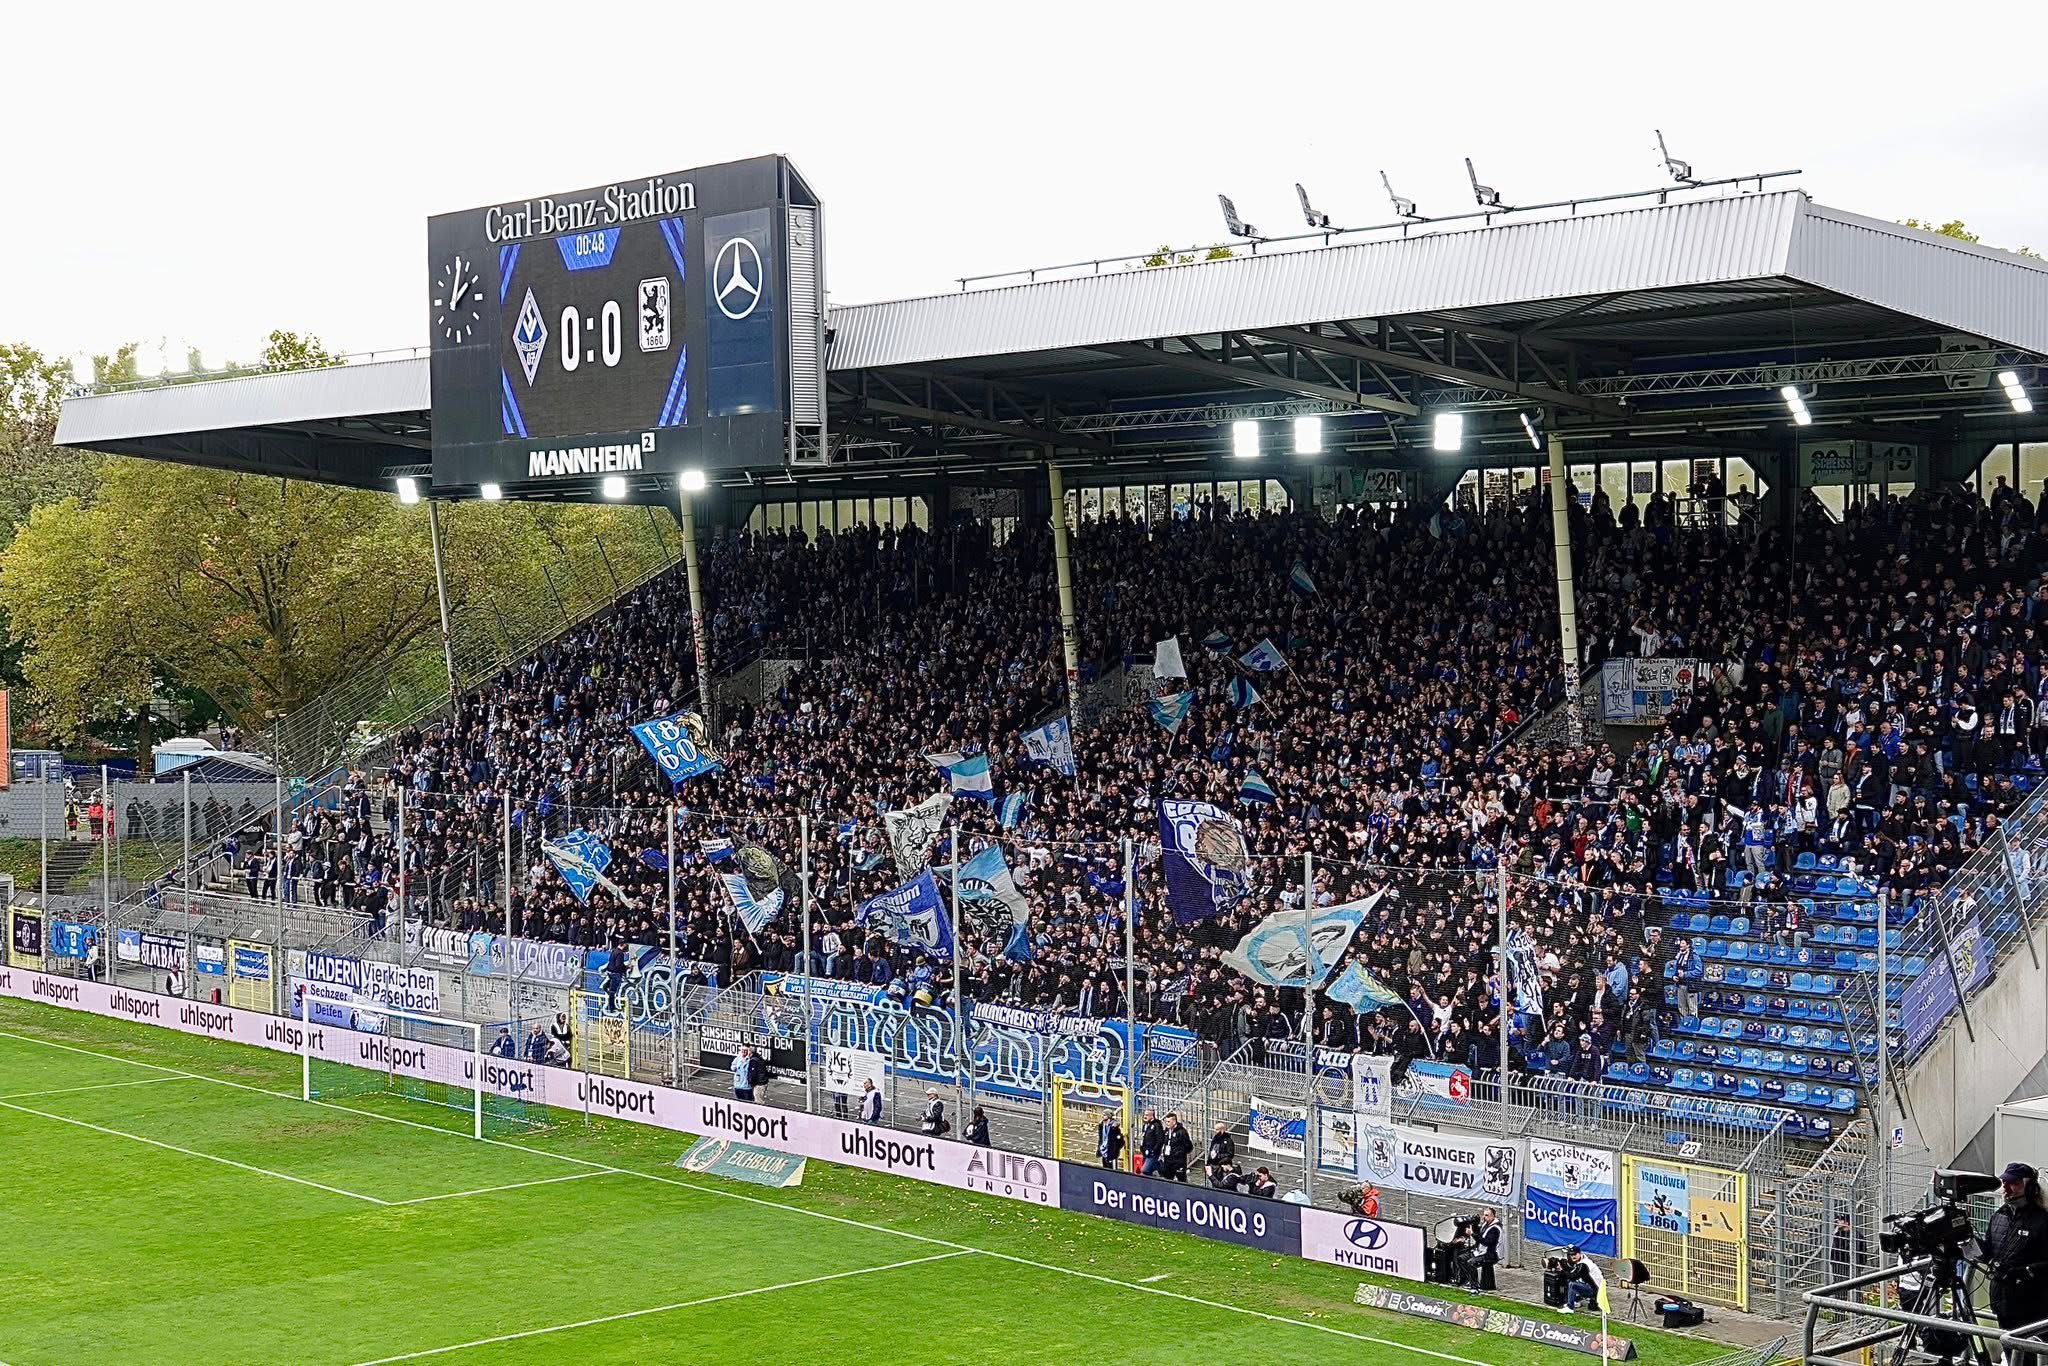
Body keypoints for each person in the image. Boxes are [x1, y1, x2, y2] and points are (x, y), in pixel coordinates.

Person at [1986, 1162, 2048, 1349]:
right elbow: (1988, 1252)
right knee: (2009, 1351)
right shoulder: (1999, 1216)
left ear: (2029, 1186)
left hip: (2033, 1307)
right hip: (2002, 1302)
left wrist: (2025, 1272)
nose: (2006, 1188)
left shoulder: (2042, 1221)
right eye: (2004, 1182)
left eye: (2013, 1183)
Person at [1459, 1208, 1502, 1291]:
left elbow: (1486, 1242)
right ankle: (1469, 1280)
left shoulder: (1495, 1229)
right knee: (1461, 1258)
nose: (1484, 1217)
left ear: (1493, 1216)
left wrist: (1472, 1234)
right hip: (1480, 1251)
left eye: (1487, 1215)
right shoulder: (1486, 1224)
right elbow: (1479, 1234)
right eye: (1484, 1215)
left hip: (1490, 1254)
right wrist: (1474, 1225)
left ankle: (1474, 1285)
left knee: (1471, 1263)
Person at [1562, 1245, 1606, 1313]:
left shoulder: (1584, 1264)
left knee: (1572, 1284)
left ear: (1579, 1253)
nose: (1573, 1256)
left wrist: (1561, 1270)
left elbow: (1572, 1276)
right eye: (1571, 1255)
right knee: (1578, 1282)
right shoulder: (1584, 1260)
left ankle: (1570, 1307)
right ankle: (1576, 1301)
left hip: (1596, 1290)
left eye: (1575, 1254)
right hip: (1597, 1288)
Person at [1161, 1113, 1194, 1183]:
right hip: (1168, 1160)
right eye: (1166, 1122)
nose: (1167, 1123)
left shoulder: (1182, 1132)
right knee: (1167, 1181)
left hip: (1178, 1162)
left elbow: (1189, 1146)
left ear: (1174, 1121)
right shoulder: (1166, 1131)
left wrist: (1180, 1153)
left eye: (1169, 1122)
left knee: (1181, 1181)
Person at [1138, 1108, 1165, 1176]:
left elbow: (1160, 1139)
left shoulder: (1157, 1125)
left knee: (1144, 1170)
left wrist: (1154, 1150)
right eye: (1144, 1114)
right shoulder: (1146, 1125)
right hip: (1145, 1151)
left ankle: (1158, 1165)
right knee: (1148, 1172)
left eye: (1147, 1115)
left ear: (1152, 1116)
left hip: (1152, 1152)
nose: (1145, 1116)